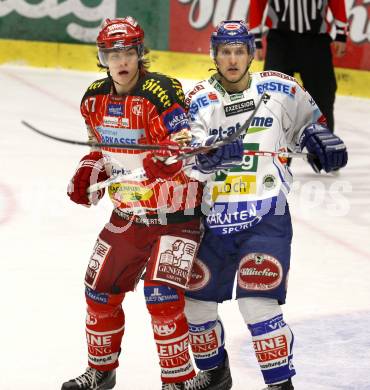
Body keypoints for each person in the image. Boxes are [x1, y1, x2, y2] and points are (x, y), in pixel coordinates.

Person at [183, 20, 348, 390]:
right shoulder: (199, 100)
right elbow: (187, 161)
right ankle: (215, 373)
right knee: (195, 306)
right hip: (214, 221)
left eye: (239, 51)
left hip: (266, 215)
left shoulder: (280, 89)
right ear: (214, 54)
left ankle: (279, 384)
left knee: (257, 305)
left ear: (251, 53)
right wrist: (204, 159)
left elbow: (310, 128)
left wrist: (320, 142)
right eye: (225, 52)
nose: (232, 59)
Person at [62, 16, 205, 390]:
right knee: (98, 288)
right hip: (128, 215)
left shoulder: (161, 90)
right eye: (113, 54)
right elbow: (98, 149)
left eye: (128, 52)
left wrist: (169, 157)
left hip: (178, 214)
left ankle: (177, 381)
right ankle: (101, 371)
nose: (121, 61)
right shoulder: (93, 99)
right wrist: (88, 172)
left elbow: (186, 139)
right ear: (102, 57)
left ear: (140, 53)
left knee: (162, 297)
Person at [249, 0, 348, 132]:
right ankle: (272, 146)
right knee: (272, 98)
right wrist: (255, 37)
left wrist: (341, 32)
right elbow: (257, 2)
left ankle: (323, 147)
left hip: (316, 40)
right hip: (280, 41)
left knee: (322, 98)